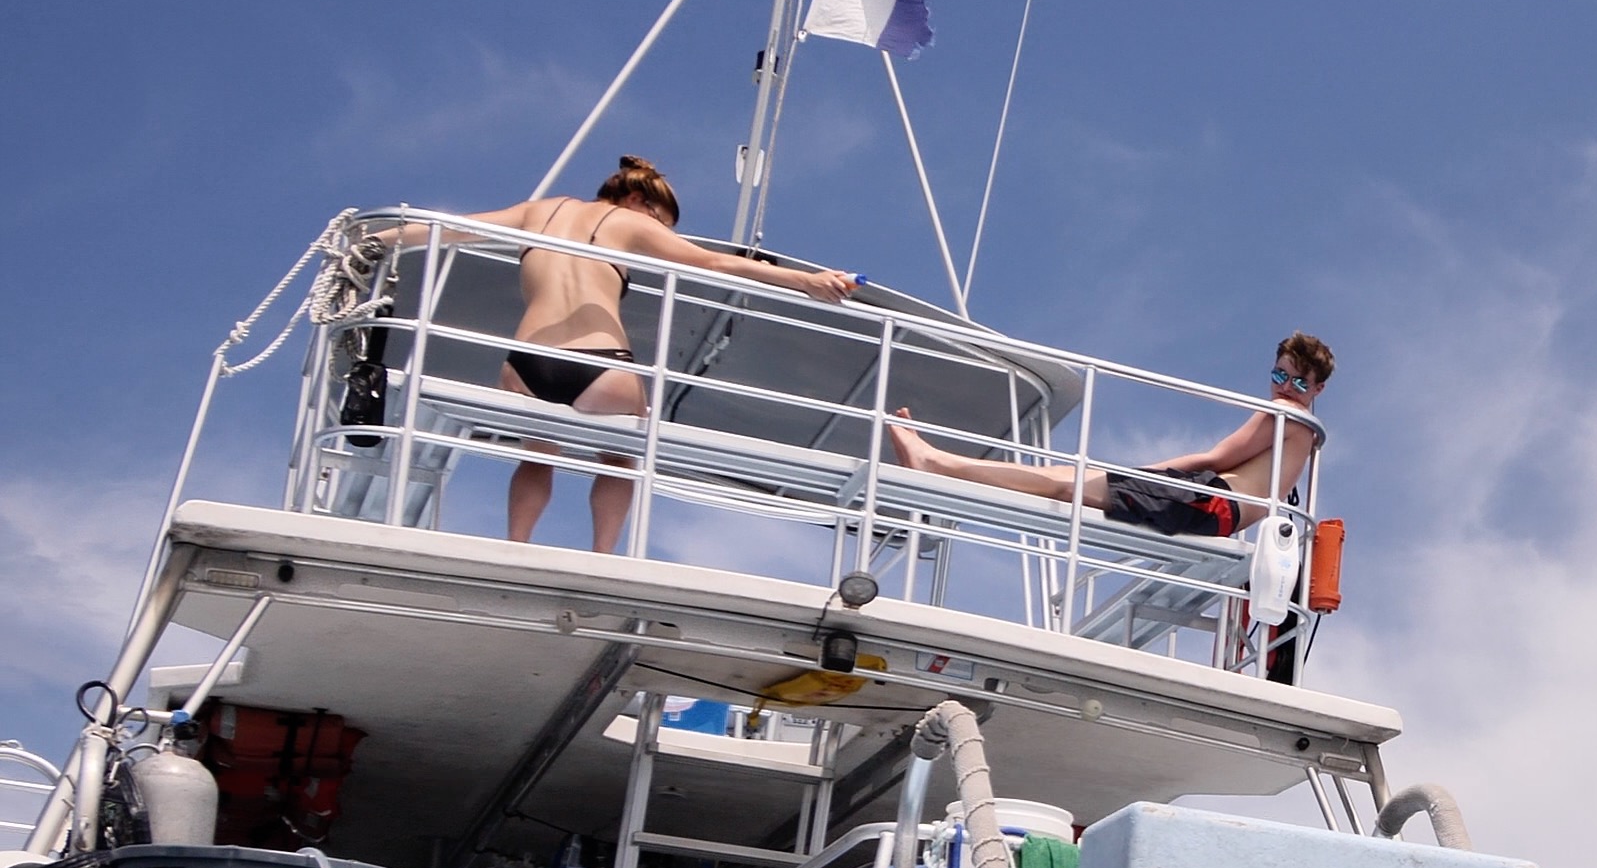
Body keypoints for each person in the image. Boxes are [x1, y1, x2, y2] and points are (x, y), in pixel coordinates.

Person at [379, 157, 859, 551]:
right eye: (662, 224)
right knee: (621, 455)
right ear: (637, 201)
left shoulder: (537, 210)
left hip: (525, 362)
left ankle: (516, 545)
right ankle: (602, 554)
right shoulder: (631, 221)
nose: (659, 234)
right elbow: (714, 262)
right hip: (600, 361)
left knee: (538, 455)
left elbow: (453, 228)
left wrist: (374, 240)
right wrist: (808, 282)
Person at [886, 331, 1333, 535]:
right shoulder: (1305, 432)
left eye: (1298, 382)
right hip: (1218, 509)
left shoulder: (1284, 414)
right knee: (1065, 481)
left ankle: (936, 464)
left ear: (1318, 389)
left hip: (1212, 503)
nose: (1283, 388)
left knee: (1065, 481)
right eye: (1279, 375)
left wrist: (1146, 473)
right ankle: (940, 464)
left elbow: (1216, 458)